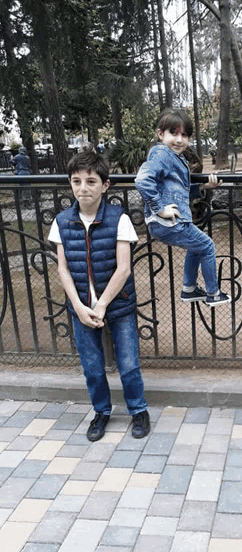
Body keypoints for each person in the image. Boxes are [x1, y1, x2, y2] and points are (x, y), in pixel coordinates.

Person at [48, 151, 150, 442]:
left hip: (118, 306)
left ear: (105, 185)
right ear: (70, 184)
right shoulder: (62, 222)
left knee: (128, 364)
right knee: (92, 367)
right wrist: (79, 307)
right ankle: (101, 412)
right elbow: (63, 269)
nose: (83, 188)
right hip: (81, 308)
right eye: (76, 181)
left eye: (91, 181)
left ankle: (138, 410)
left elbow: (124, 268)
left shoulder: (119, 219)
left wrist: (103, 303)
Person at [135, 108, 231, 306]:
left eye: (184, 135)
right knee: (207, 246)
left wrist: (204, 186)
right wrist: (160, 208)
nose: (179, 139)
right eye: (173, 133)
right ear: (161, 134)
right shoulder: (163, 153)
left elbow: (178, 189)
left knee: (196, 247)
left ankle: (189, 289)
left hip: (170, 221)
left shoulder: (174, 157)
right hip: (168, 221)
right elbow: (143, 180)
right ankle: (213, 294)